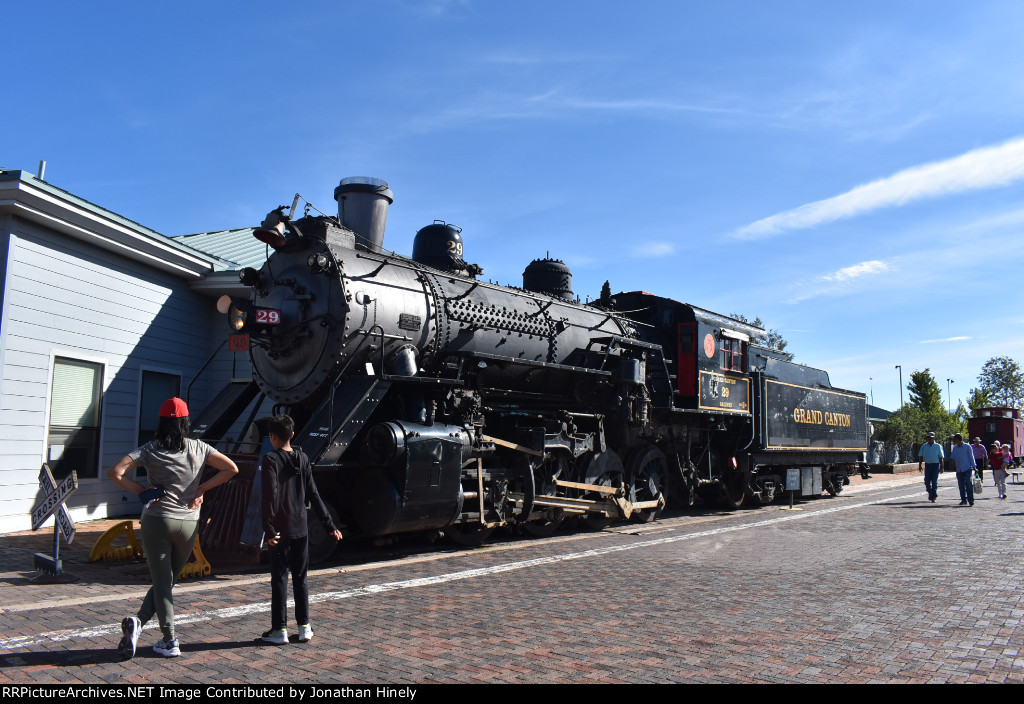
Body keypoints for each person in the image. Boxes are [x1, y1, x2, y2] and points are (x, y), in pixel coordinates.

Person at [108, 397, 239, 659]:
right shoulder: (199, 447)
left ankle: (170, 640)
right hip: (188, 523)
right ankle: (139, 623)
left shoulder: (150, 449)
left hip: (157, 521)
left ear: (162, 422)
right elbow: (231, 468)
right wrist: (201, 488)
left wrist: (141, 490)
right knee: (166, 582)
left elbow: (116, 472)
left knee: (162, 582)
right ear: (185, 423)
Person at [259, 414, 343, 645]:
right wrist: (330, 525)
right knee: (300, 578)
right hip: (301, 527)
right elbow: (313, 494)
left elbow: (269, 496)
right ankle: (305, 626)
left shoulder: (270, 459)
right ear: (292, 435)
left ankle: (280, 630)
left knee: (279, 578)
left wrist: (268, 528)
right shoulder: (303, 458)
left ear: (272, 437)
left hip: (280, 529)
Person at [950, 433, 978, 506]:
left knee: (968, 484)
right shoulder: (955, 448)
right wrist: (951, 463)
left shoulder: (967, 447)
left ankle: (971, 500)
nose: (954, 441)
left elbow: (971, 456)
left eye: (955, 439)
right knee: (961, 485)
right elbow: (953, 457)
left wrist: (974, 466)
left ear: (958, 439)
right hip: (959, 469)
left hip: (967, 468)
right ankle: (963, 499)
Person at [917, 431, 944, 503]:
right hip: (928, 465)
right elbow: (921, 456)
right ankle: (930, 493)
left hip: (935, 465)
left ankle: (933, 496)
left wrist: (942, 467)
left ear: (934, 438)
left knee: (934, 481)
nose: (929, 439)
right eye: (928, 437)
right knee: (927, 481)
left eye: (931, 438)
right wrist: (920, 465)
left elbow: (941, 457)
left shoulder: (938, 446)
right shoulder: (924, 446)